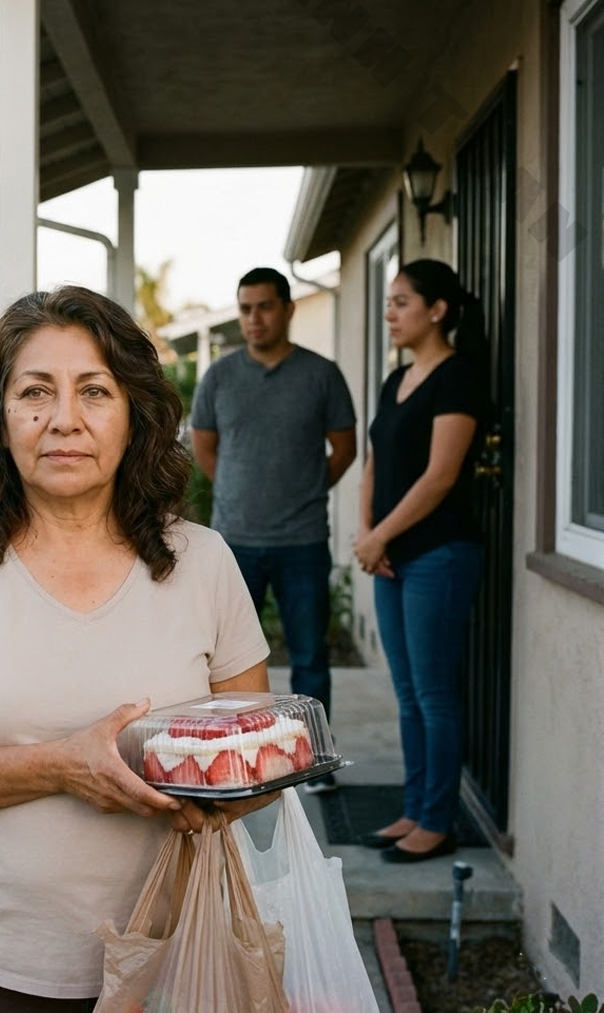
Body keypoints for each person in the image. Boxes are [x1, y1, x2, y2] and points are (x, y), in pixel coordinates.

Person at [0, 286, 277, 1010]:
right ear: (0, 418)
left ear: (134, 414)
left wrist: (215, 796)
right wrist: (61, 767)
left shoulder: (204, 562)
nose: (64, 421)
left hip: (178, 963)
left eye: (94, 391)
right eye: (35, 393)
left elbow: (259, 753)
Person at [190, 267, 357, 791]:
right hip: (234, 540)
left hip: (302, 540)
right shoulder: (219, 375)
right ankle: (233, 755)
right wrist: (239, 493)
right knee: (222, 660)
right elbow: (204, 446)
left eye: (264, 307)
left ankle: (311, 761)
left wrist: (302, 491)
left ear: (287, 309)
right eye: (245, 309)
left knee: (309, 655)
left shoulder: (321, 374)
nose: (253, 318)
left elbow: (344, 449)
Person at [353, 259, 487, 864]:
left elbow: (440, 477)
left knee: (435, 695)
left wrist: (380, 535)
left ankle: (437, 821)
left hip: (439, 554)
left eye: (402, 302)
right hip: (391, 556)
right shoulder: (395, 380)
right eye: (388, 302)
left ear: (437, 309)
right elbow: (375, 463)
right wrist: (366, 532)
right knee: (407, 694)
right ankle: (413, 808)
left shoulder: (459, 377)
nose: (390, 313)